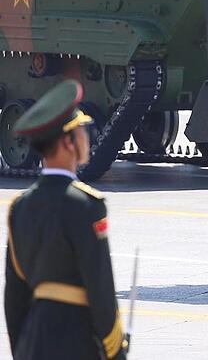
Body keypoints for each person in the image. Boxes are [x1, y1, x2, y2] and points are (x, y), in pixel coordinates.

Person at [5, 80, 128, 360]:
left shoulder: (20, 208)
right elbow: (100, 289)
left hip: (33, 343)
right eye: (82, 130)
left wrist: (23, 350)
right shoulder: (86, 206)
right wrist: (115, 351)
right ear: (67, 142)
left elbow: (14, 298)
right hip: (77, 341)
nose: (88, 137)